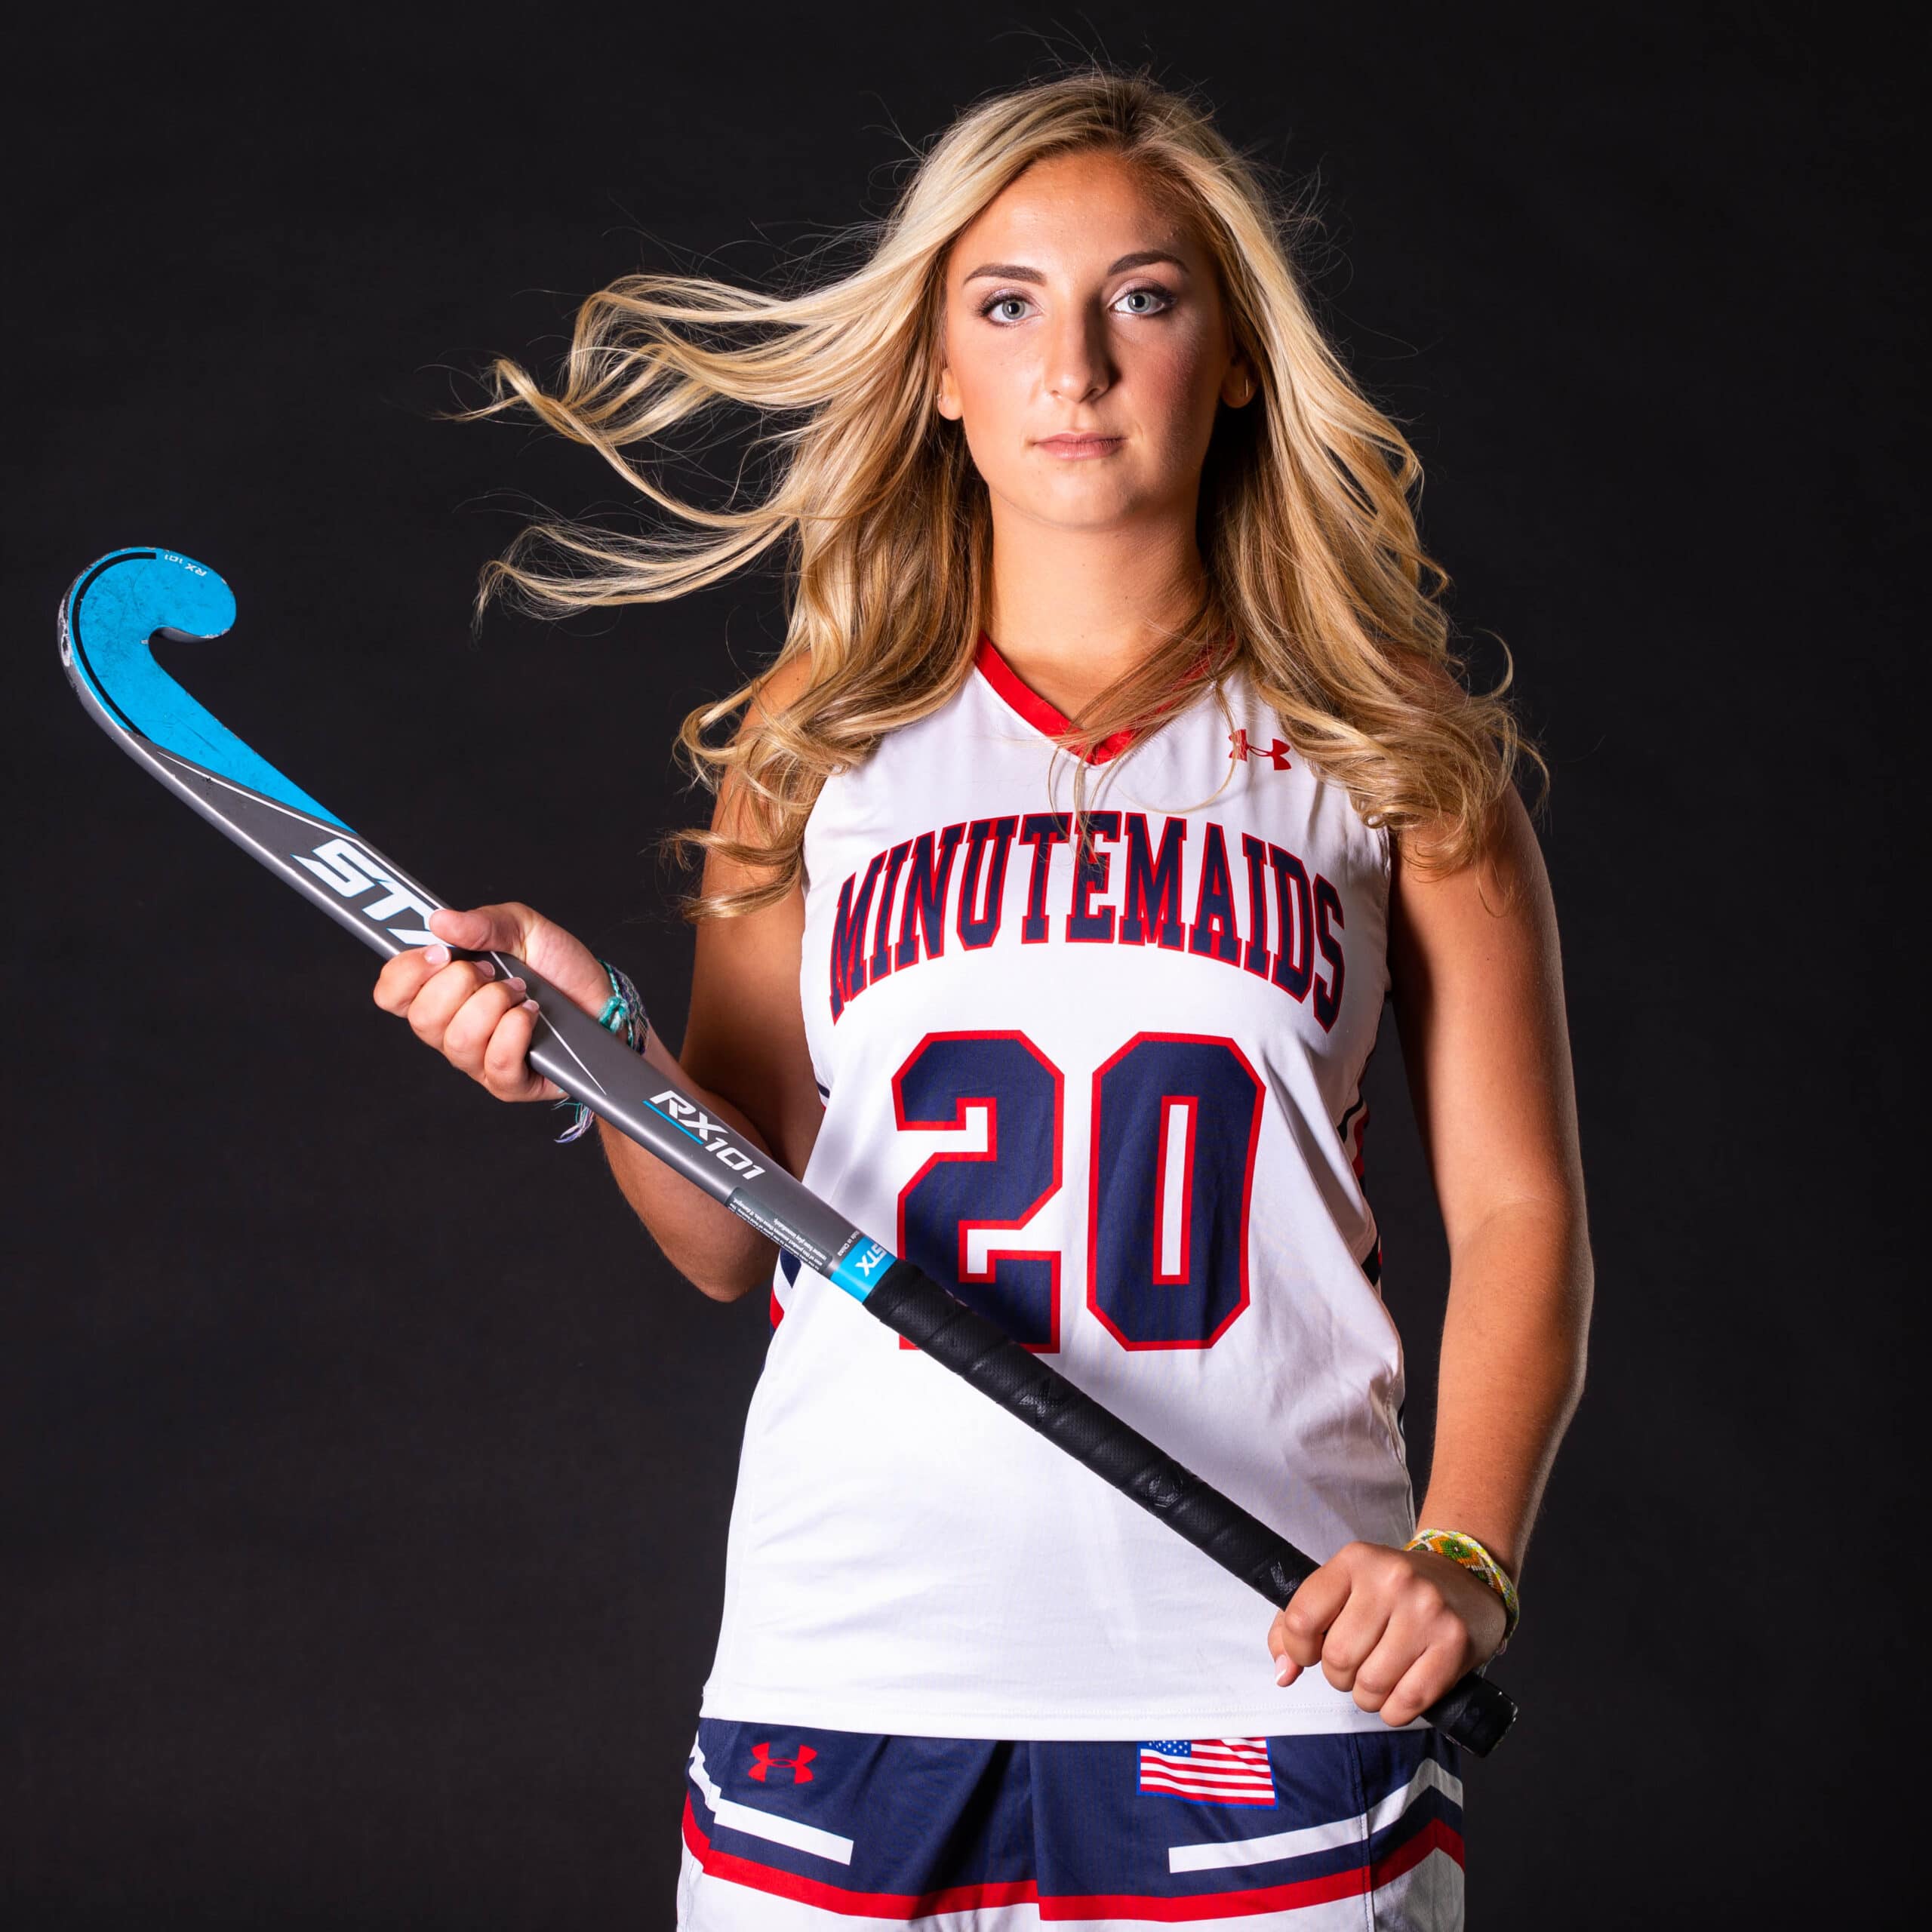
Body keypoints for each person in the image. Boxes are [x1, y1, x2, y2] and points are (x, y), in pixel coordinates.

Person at [373, 66, 1592, 1931]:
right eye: (1007, 304)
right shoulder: (815, 741)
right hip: (852, 1661)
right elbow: (733, 1231)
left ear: (1234, 356)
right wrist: (595, 1046)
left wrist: (1466, 1554)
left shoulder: (1387, 748)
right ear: (939, 367)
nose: (1073, 366)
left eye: (1142, 298)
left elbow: (1517, 1211)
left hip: (1267, 1656)